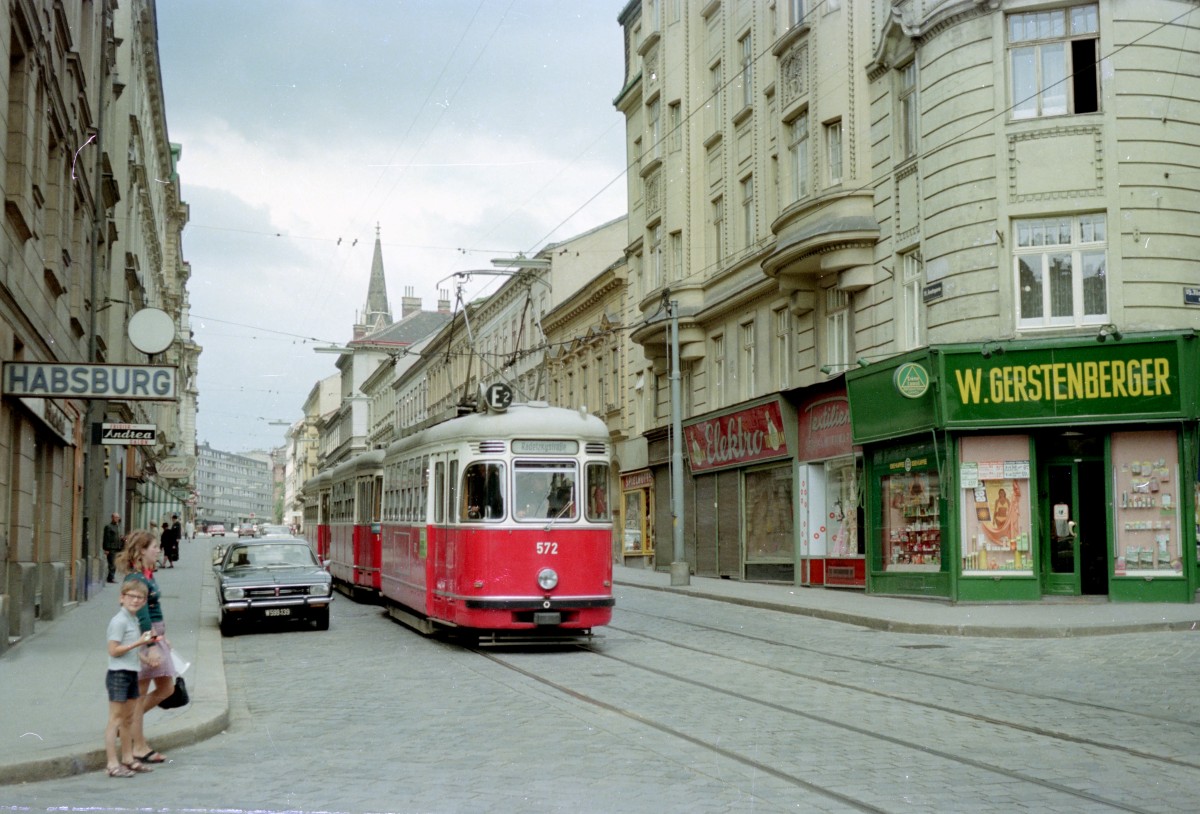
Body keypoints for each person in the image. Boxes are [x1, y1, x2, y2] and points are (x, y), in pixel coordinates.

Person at [116, 529, 177, 765]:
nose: (158, 550)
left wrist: (162, 638)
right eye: (154, 547)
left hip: (154, 637)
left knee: (166, 688)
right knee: (140, 695)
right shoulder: (136, 579)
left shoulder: (146, 575)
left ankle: (126, 725)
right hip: (144, 639)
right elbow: (141, 614)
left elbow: (152, 610)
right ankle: (138, 745)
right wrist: (150, 645)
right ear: (142, 550)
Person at [104, 579, 156, 778]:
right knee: (115, 720)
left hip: (131, 672)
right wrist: (138, 644)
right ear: (122, 598)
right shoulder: (119, 621)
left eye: (139, 598)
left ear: (144, 602)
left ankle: (128, 758)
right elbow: (113, 650)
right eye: (131, 596)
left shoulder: (132, 619)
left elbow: (128, 650)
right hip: (119, 674)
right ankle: (111, 763)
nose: (135, 600)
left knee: (128, 719)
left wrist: (144, 658)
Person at [103, 513, 124, 583]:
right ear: (112, 518)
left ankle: (110, 577)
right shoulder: (108, 527)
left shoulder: (117, 526)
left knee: (114, 563)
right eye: (116, 517)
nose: (117, 519)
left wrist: (121, 538)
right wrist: (106, 549)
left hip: (117, 547)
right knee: (112, 563)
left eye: (118, 517)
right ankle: (111, 578)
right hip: (111, 548)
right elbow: (106, 538)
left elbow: (117, 536)